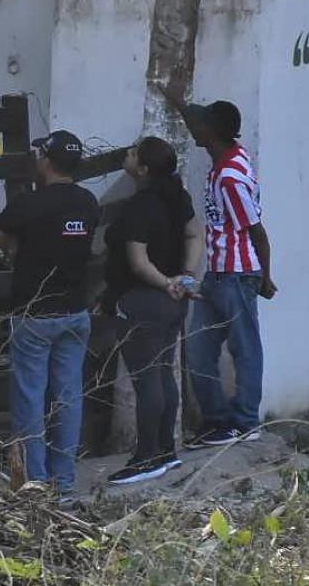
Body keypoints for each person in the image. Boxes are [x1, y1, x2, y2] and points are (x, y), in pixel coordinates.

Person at [0, 130, 100, 499]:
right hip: (75, 312)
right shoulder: (88, 202)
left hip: (34, 314)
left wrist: (20, 246)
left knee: (31, 400)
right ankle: (64, 483)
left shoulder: (29, 204)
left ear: (46, 161)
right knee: (69, 399)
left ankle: (35, 484)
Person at [99, 136, 204, 485]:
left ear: (142, 169)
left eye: (132, 154)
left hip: (142, 299)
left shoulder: (140, 206)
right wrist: (185, 277)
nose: (126, 156)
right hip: (171, 302)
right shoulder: (178, 195)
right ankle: (165, 451)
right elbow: (194, 236)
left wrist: (165, 283)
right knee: (162, 374)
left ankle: (146, 457)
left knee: (147, 380)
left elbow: (138, 261)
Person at [178, 100, 277, 448]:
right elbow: (193, 117)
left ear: (212, 132)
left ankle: (246, 421)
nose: (195, 126)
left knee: (245, 349)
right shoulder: (224, 161)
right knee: (199, 348)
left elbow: (256, 231)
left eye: (201, 123)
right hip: (218, 274)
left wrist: (264, 278)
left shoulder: (231, 177)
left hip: (236, 275)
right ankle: (218, 421)